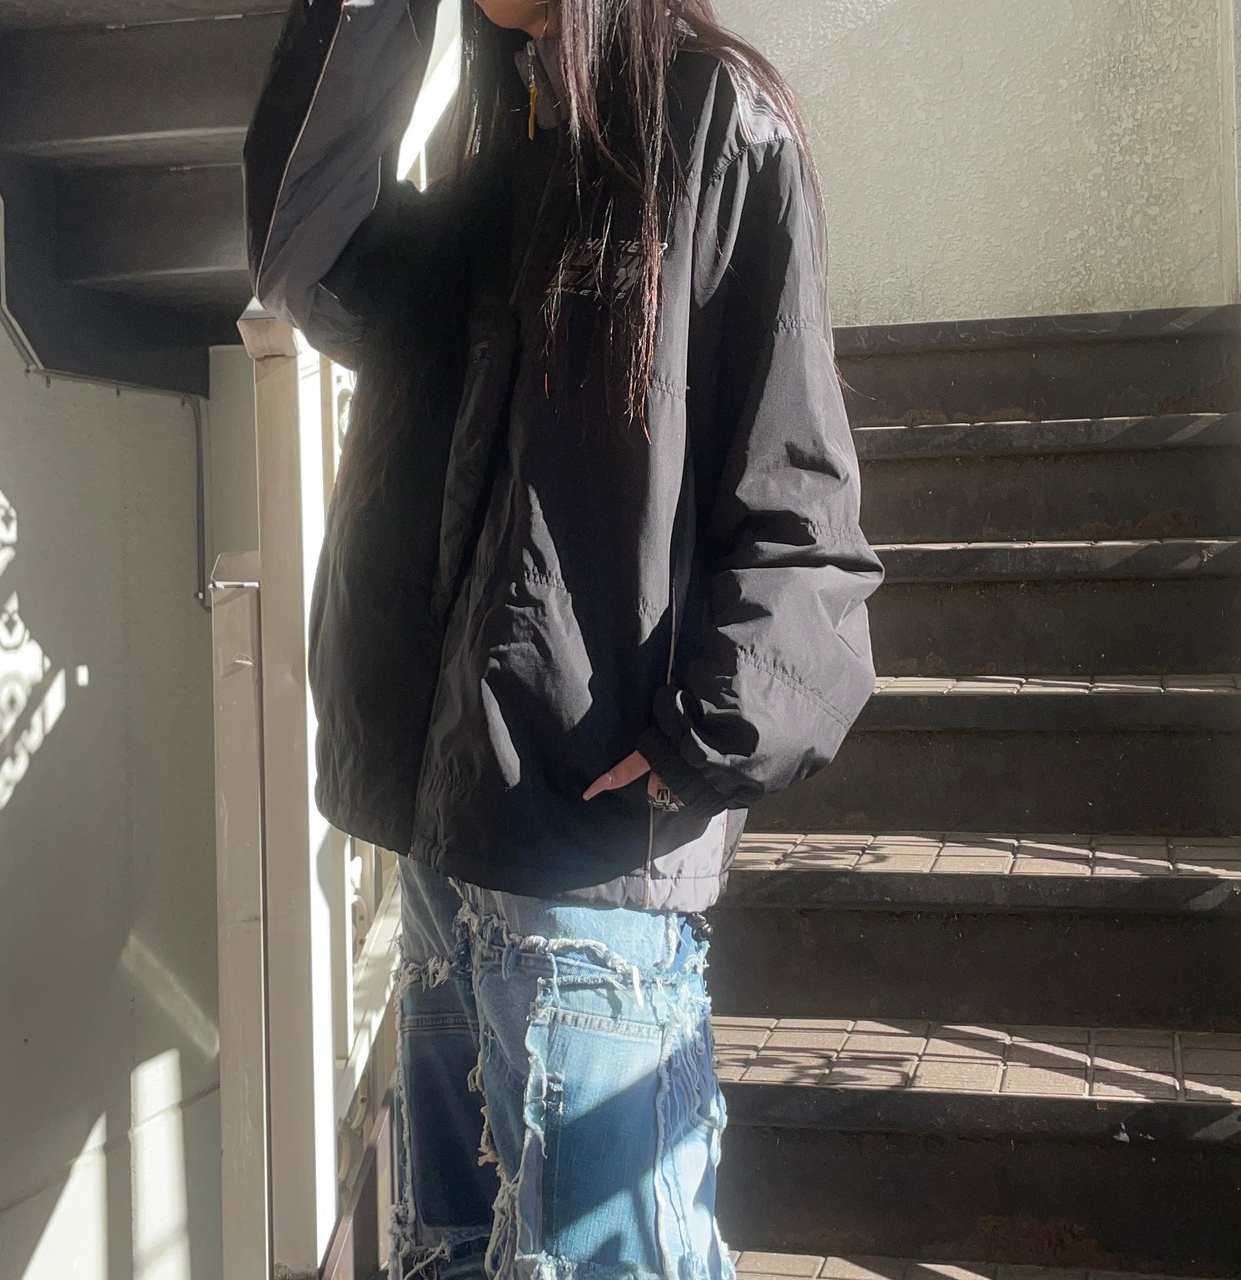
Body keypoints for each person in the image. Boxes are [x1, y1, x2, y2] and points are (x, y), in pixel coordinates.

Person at [244, 0, 882, 1276]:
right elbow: (305, 255)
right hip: (448, 850)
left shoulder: (714, 121)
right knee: (444, 1253)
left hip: (593, 867)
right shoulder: (500, 144)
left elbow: (799, 509)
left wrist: (699, 743)